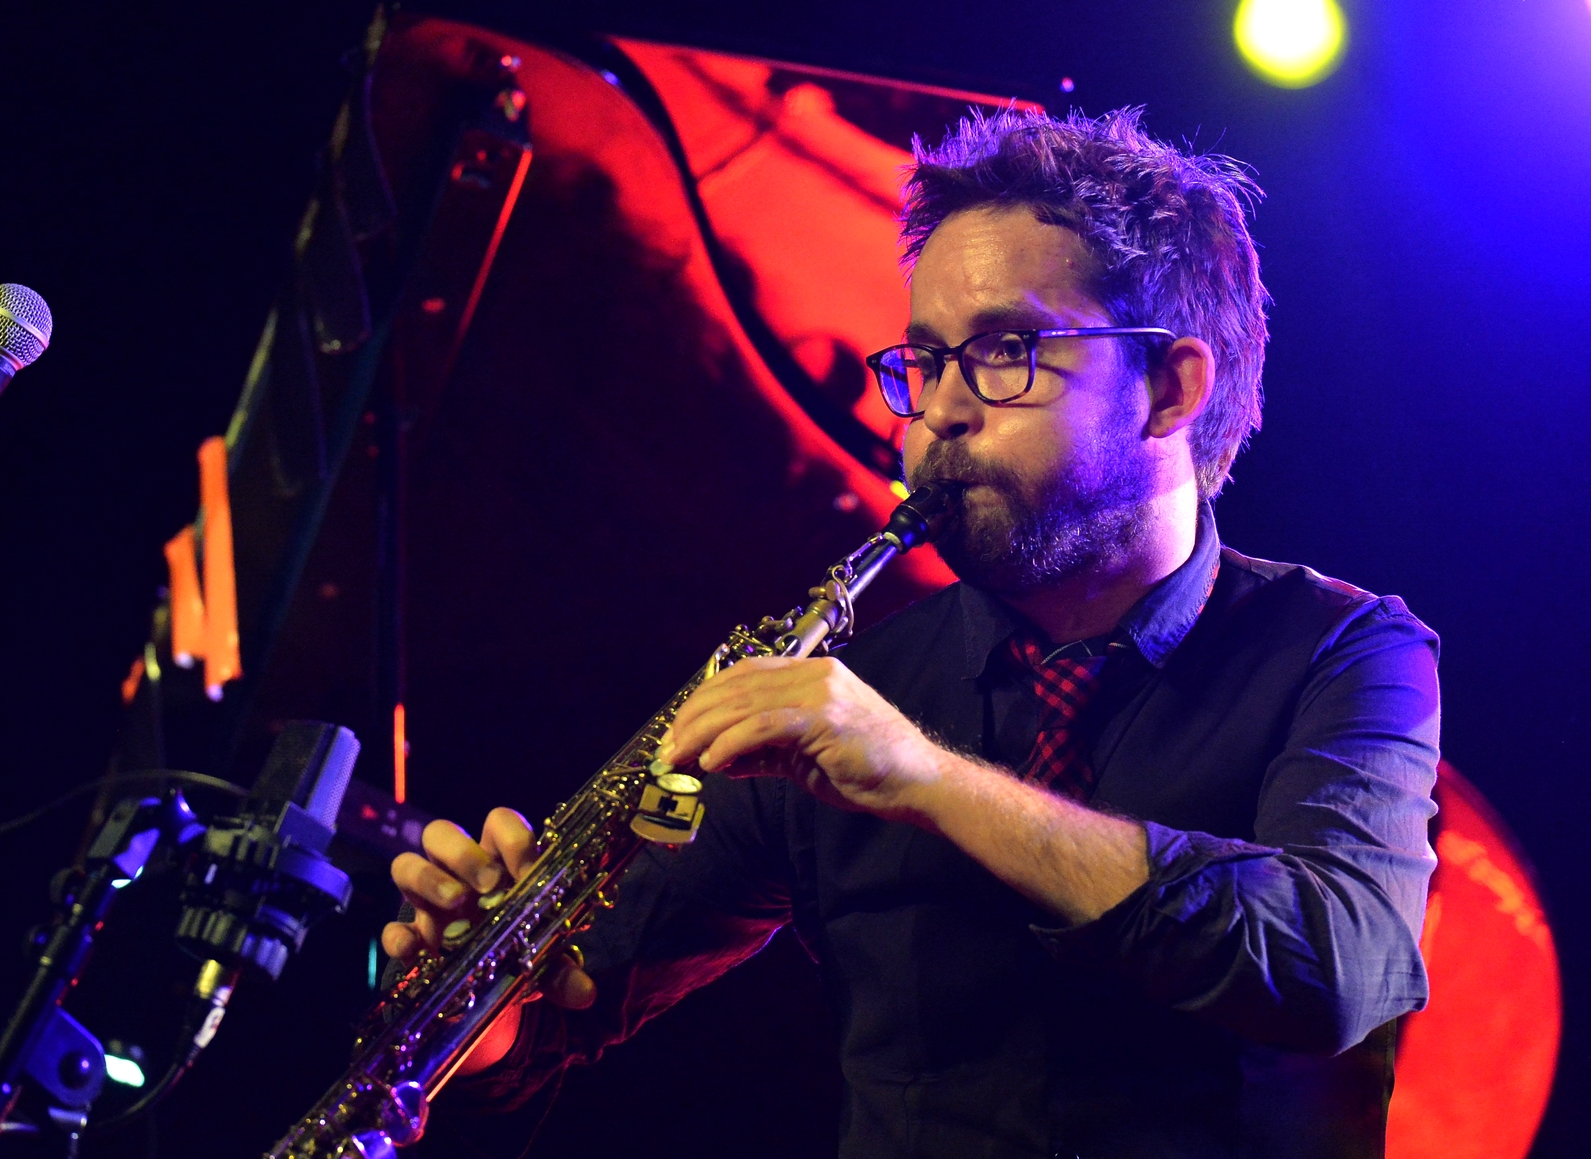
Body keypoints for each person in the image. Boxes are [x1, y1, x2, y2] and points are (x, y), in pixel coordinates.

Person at [382, 107, 1440, 1159]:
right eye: (925, 360)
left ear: (1169, 388)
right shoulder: (855, 688)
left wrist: (925, 781)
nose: (935, 410)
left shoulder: (1343, 655)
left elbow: (1332, 969)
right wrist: (483, 1007)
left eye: (1001, 351)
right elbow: (559, 1022)